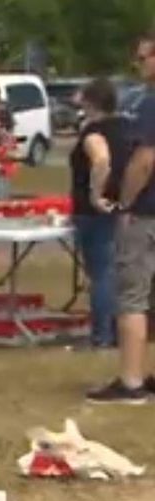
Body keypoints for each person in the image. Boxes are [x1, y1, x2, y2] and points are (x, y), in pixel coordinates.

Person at [91, 33, 155, 404]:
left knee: (132, 296)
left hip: (146, 214)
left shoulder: (150, 104)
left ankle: (131, 382)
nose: (138, 65)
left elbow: (144, 161)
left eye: (144, 58)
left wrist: (125, 204)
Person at [70, 78, 131, 350]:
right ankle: (119, 331)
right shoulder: (126, 128)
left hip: (96, 213)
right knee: (120, 272)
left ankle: (101, 334)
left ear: (91, 102)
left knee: (101, 274)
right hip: (122, 207)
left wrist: (95, 195)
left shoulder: (94, 131)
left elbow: (101, 159)